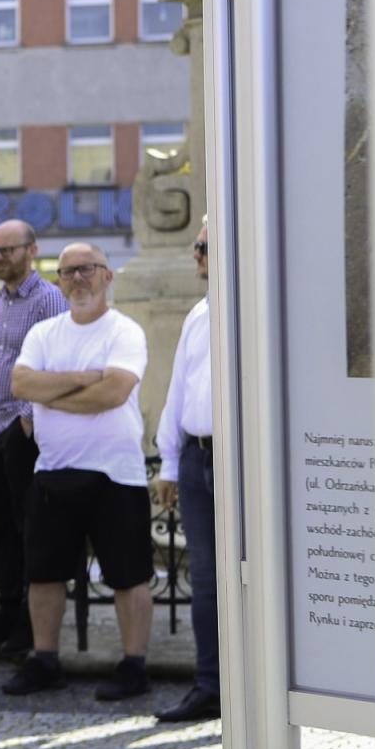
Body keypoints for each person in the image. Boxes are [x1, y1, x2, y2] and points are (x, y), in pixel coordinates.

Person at [4, 242, 154, 701]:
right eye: (67, 272)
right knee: (44, 573)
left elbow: (113, 394)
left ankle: (134, 666)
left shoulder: (124, 331)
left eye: (87, 269)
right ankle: (45, 660)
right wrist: (83, 377)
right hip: (53, 470)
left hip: (115, 473)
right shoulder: (44, 333)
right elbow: (20, 383)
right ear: (59, 281)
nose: (77, 279)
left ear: (107, 275)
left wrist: (53, 394)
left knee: (129, 575)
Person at [0, 219, 69, 656]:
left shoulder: (49, 299)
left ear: (31, 250)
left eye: (7, 250)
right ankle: (6, 611)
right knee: (1, 525)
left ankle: (30, 624)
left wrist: (28, 418)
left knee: (29, 525)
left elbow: (56, 362)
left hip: (22, 427)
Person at [154, 218, 220, 722]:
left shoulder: (254, 307)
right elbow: (178, 390)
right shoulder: (199, 314)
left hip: (240, 457)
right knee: (204, 578)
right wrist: (170, 463)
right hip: (198, 456)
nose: (195, 254)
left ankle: (255, 683)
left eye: (202, 246)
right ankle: (210, 684)